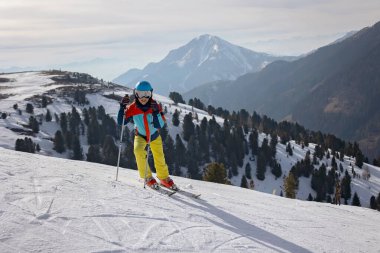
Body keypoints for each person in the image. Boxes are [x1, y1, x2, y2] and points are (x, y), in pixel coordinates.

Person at [117, 81, 177, 190]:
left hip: (154, 135)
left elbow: (160, 124)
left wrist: (155, 113)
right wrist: (122, 108)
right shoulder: (133, 107)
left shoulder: (154, 106)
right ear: (136, 94)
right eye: (140, 94)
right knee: (138, 151)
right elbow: (121, 122)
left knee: (159, 156)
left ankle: (163, 178)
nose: (143, 97)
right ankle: (147, 177)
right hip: (140, 135)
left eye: (147, 94)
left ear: (151, 94)